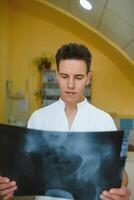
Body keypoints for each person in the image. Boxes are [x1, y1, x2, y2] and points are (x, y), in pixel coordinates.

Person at [0, 43, 131, 200]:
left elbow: (121, 176)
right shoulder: (38, 117)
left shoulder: (103, 120)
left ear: (88, 78)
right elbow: (22, 169)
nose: (70, 85)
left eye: (78, 77)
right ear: (56, 75)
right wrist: (6, 184)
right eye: (64, 76)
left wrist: (120, 189)